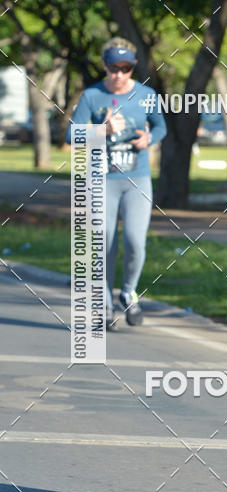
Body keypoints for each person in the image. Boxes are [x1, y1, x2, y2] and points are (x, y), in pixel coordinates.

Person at [67, 37, 166, 329]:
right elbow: (71, 137)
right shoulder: (91, 96)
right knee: (104, 243)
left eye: (126, 68)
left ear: (133, 67)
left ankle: (128, 292)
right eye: (113, 67)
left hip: (137, 180)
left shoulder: (146, 94)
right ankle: (105, 305)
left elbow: (160, 126)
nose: (119, 74)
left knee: (135, 242)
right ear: (104, 66)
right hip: (101, 180)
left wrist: (149, 138)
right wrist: (102, 129)